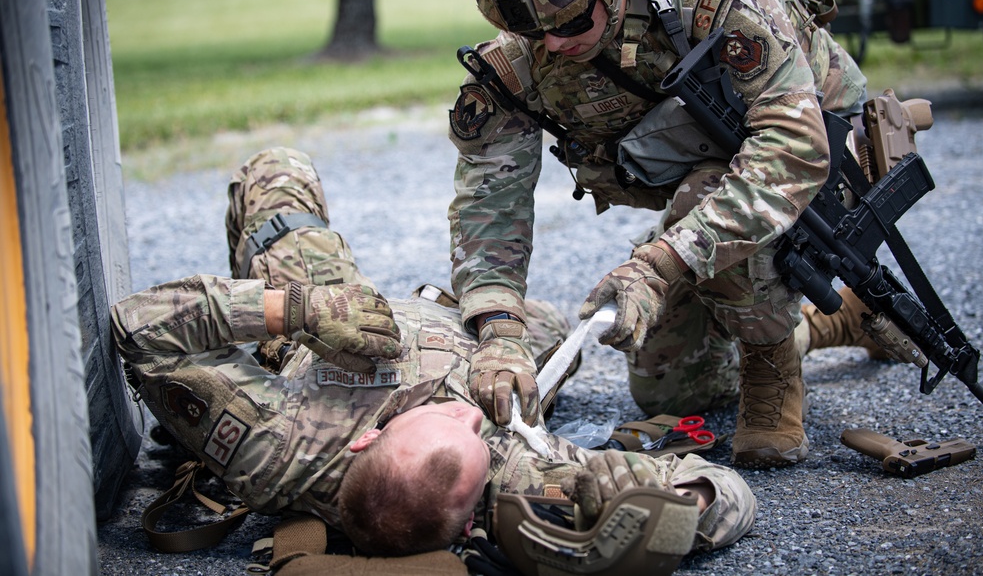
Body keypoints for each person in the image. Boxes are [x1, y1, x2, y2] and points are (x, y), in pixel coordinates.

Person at [111, 147, 756, 566]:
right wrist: (670, 500)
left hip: (337, 323)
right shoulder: (513, 473)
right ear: (475, 502)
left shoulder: (282, 446)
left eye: (446, 422)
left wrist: (296, 311)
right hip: (497, 345)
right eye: (481, 435)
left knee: (278, 170)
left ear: (365, 441)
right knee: (564, 325)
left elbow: (139, 328)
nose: (470, 416)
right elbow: (733, 495)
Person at [447, 0, 882, 470]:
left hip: (822, 158)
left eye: (571, 20)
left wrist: (658, 264)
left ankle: (771, 358)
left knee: (702, 203)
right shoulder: (519, 58)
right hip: (702, 181)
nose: (551, 45)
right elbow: (488, 209)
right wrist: (499, 329)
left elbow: (793, 145)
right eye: (530, 31)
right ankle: (836, 320)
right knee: (676, 392)